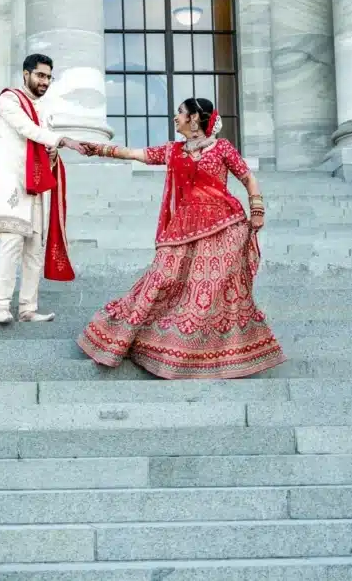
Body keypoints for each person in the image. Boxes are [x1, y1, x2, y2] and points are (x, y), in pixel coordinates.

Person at [76, 97, 286, 379]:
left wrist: (257, 209)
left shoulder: (222, 147)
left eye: (180, 113)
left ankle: (210, 354)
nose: (175, 118)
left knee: (209, 290)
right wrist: (100, 149)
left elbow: (248, 178)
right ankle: (127, 336)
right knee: (160, 279)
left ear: (195, 118)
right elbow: (137, 154)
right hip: (182, 228)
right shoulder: (174, 151)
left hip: (224, 226)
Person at [0, 53, 86, 324]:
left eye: (48, 77)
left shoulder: (44, 110)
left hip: (38, 185)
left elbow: (44, 144)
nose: (44, 81)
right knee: (11, 245)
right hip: (13, 183)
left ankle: (27, 308)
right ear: (26, 74)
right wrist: (62, 139)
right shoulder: (9, 101)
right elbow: (26, 129)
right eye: (40, 75)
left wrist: (53, 152)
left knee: (34, 248)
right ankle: (1, 305)